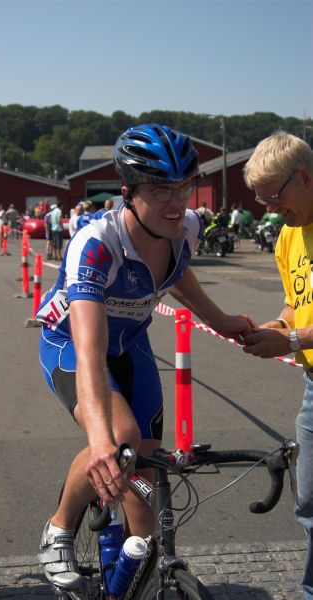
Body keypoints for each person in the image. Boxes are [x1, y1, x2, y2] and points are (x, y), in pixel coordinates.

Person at [35, 123, 256, 590]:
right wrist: (99, 441)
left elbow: (179, 275)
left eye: (184, 188)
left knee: (145, 475)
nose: (177, 202)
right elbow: (91, 355)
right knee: (120, 439)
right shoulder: (96, 244)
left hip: (132, 345)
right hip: (71, 345)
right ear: (128, 192)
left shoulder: (186, 228)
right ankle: (57, 529)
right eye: (161, 190)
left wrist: (221, 320)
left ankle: (131, 572)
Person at [242, 131, 313, 600]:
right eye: (261, 199)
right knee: (308, 502)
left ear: (305, 177)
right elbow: (295, 305)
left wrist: (286, 340)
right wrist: (273, 326)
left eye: (274, 196)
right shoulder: (288, 238)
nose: (269, 208)